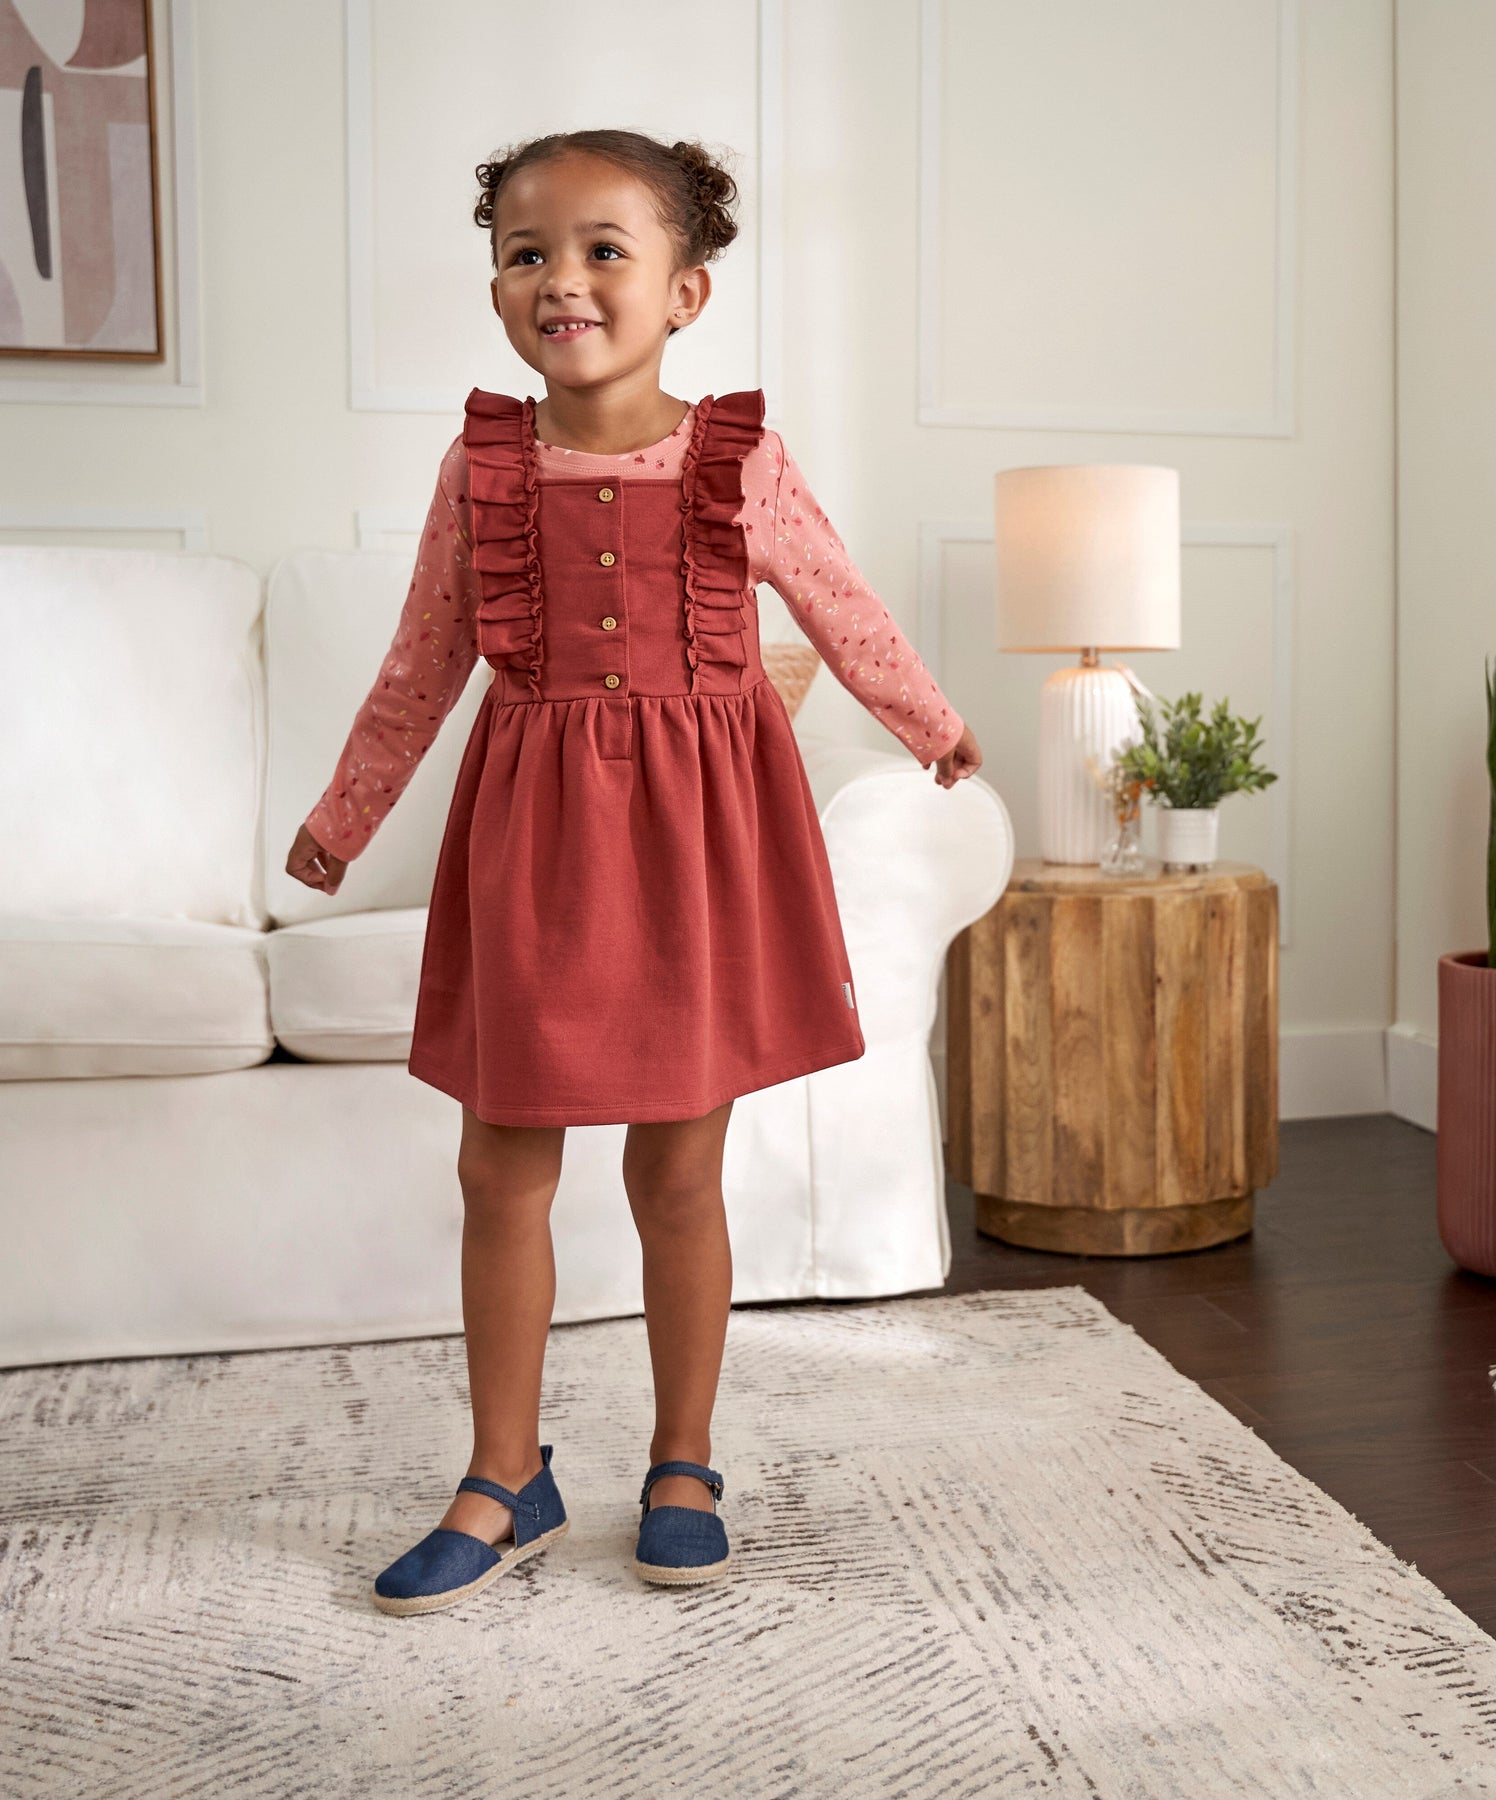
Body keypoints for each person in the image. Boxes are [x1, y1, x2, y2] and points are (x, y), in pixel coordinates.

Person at [285, 128, 981, 1615]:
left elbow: (841, 603)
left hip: (697, 848)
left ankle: (683, 1462)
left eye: (606, 249)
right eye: (527, 253)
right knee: (499, 1165)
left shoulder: (741, 459)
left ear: (686, 290)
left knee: (677, 1169)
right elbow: (421, 661)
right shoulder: (482, 468)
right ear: (494, 287)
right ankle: (504, 1474)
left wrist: (930, 724)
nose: (563, 280)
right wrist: (344, 816)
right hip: (536, 845)